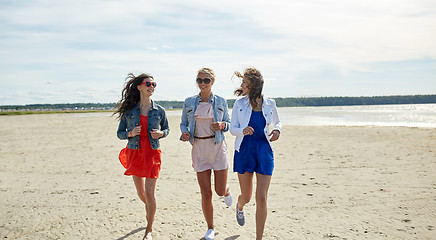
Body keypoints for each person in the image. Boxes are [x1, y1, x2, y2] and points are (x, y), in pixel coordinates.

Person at [114, 73, 169, 240]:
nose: (151, 87)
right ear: (139, 87)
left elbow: (166, 130)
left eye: (154, 84)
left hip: (152, 153)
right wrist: (130, 133)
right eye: (148, 84)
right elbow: (119, 133)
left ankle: (149, 230)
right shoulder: (130, 111)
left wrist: (161, 133)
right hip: (135, 152)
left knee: (150, 192)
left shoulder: (159, 110)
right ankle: (150, 209)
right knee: (141, 193)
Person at [180, 67, 233, 240]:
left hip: (217, 147)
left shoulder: (221, 101)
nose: (202, 83)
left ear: (212, 82)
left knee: (218, 190)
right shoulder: (189, 102)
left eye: (206, 80)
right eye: (199, 80)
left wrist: (222, 125)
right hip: (199, 148)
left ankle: (226, 192)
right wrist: (185, 133)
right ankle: (210, 228)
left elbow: (229, 123)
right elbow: (183, 123)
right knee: (206, 193)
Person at [230, 67, 281, 240]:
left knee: (262, 198)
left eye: (245, 82)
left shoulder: (270, 103)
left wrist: (277, 132)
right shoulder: (239, 104)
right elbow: (232, 129)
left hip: (264, 151)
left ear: (253, 85)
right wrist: (242, 130)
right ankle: (240, 205)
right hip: (244, 150)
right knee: (247, 196)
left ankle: (259, 238)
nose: (242, 85)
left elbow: (277, 122)